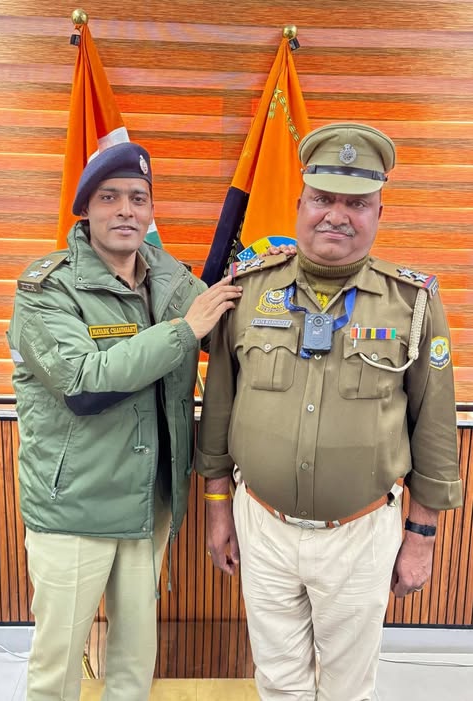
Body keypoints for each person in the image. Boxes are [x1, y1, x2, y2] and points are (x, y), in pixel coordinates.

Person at [195, 122, 463, 701]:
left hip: (360, 535)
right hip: (262, 526)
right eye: (322, 199)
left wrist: (421, 536)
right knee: (278, 682)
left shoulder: (412, 302)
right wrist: (218, 510)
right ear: (299, 205)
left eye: (356, 204)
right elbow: (218, 407)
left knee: (347, 688)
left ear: (379, 214)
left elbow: (435, 425)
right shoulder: (248, 289)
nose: (336, 216)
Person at [6, 141, 243, 701]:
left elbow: (234, 320)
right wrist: (184, 331)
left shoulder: (171, 279)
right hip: (75, 507)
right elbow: (83, 384)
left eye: (138, 198)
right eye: (109, 197)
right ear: (85, 209)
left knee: (135, 661)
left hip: (148, 504)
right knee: (56, 667)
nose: (125, 211)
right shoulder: (46, 289)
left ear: (151, 210)